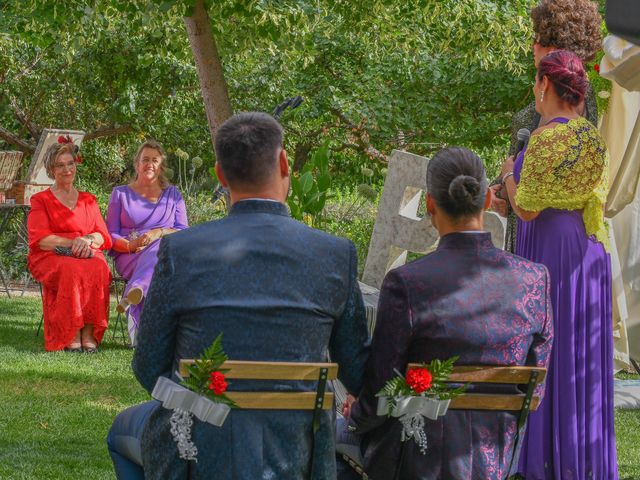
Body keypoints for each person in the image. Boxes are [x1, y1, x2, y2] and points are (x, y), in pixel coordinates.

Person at [107, 112, 370, 479]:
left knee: (120, 431)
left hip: (196, 453)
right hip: (298, 453)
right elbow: (359, 374)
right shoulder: (335, 254)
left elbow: (148, 367)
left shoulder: (182, 251)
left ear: (219, 174)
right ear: (283, 164)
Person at [343, 147, 553, 479]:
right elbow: (532, 390)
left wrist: (357, 415)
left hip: (416, 459)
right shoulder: (533, 280)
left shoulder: (407, 283)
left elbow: (382, 388)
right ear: (487, 199)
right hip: (497, 455)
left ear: (429, 204)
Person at [499, 50, 617, 479]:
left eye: (536, 83)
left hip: (551, 247)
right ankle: (583, 459)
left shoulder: (544, 138)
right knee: (580, 351)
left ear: (546, 86)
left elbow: (527, 208)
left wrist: (510, 172)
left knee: (550, 346)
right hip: (587, 250)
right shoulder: (594, 138)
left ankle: (543, 459)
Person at [494, 0, 603, 252]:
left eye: (539, 39)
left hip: (548, 236)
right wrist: (500, 189)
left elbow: (557, 174)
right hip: (529, 226)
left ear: (556, 46)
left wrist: (509, 179)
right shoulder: (551, 99)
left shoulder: (575, 101)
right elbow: (525, 162)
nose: (533, 46)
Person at [27, 140, 112, 352]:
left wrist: (87, 241)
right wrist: (74, 241)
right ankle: (71, 331)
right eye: (60, 165)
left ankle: (88, 332)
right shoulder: (41, 200)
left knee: (100, 267)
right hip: (51, 254)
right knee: (71, 269)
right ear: (51, 170)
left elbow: (103, 236)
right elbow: (42, 240)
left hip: (85, 251)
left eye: (70, 163)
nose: (67, 169)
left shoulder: (88, 200)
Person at [106, 140, 188, 343]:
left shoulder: (173, 195)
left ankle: (135, 292)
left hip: (165, 252)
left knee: (159, 249)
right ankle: (154, 335)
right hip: (130, 254)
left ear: (161, 166)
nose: (149, 164)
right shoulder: (121, 194)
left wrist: (158, 233)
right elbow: (110, 235)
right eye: (145, 160)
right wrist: (130, 245)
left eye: (155, 160)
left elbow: (183, 231)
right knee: (159, 258)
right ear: (137, 164)